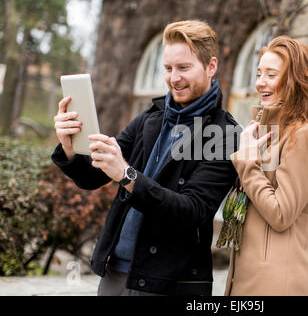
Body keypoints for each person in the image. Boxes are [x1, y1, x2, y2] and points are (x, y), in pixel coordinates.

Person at [52, 20, 239, 296]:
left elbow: (193, 212)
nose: (174, 78)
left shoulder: (225, 133)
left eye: (184, 68)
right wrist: (69, 146)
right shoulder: (150, 117)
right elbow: (92, 177)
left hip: (171, 282)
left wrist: (127, 175)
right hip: (116, 272)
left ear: (211, 67)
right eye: (168, 68)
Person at [224, 36, 308, 295]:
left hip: (277, 284)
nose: (260, 82)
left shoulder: (306, 135)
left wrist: (246, 160)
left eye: (271, 74)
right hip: (251, 278)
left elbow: (281, 214)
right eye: (258, 73)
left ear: (294, 81)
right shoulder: (272, 135)